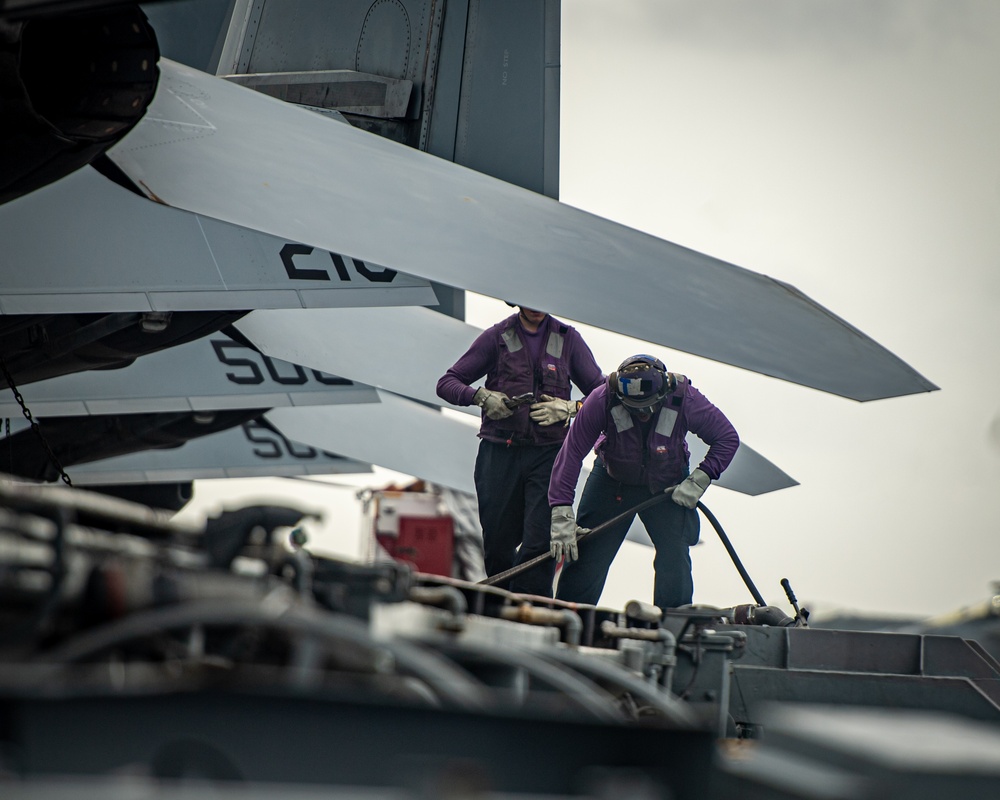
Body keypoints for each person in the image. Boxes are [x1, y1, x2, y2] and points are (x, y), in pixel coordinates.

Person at [436, 305, 604, 596]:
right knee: (498, 542)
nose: (537, 308)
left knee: (540, 542)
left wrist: (570, 408)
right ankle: (498, 606)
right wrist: (480, 396)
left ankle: (532, 608)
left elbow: (602, 393)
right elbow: (447, 383)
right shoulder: (496, 337)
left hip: (549, 456)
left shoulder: (568, 340)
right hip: (499, 454)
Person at [548, 354, 739, 609]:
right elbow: (571, 453)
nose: (643, 415)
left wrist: (700, 479)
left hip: (668, 487)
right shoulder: (601, 399)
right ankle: (567, 620)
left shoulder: (685, 398)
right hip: (612, 481)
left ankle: (673, 628)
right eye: (636, 409)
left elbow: (727, 438)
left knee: (675, 557)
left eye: (649, 407)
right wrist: (561, 510)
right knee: (587, 555)